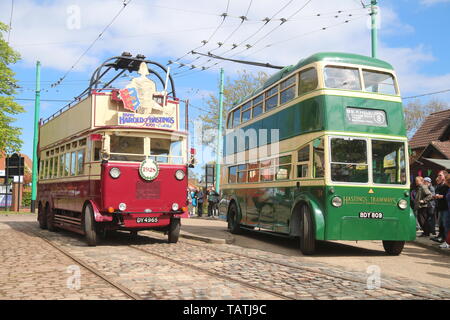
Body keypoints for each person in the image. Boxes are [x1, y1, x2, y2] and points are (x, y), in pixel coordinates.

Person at [432, 170, 448, 243]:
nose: (438, 177)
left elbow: (446, 196)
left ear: (445, 177)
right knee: (440, 223)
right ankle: (440, 237)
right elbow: (437, 192)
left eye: (440, 175)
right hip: (440, 207)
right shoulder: (439, 185)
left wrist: (441, 196)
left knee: (445, 224)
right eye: (438, 175)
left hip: (446, 207)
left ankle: (445, 239)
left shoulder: (446, 185)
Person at [441, 174, 450, 249]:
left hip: (448, 210)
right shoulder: (448, 188)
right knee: (446, 225)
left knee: (447, 226)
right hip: (447, 209)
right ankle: (447, 242)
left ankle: (447, 242)